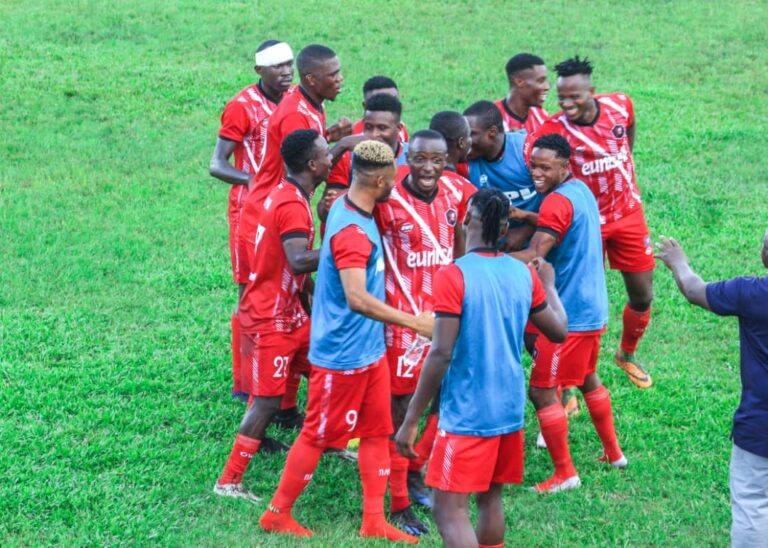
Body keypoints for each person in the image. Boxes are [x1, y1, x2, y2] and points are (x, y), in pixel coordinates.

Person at [259, 141, 432, 544]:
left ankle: (373, 519)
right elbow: (357, 298)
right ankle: (277, 513)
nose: (396, 185)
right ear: (379, 179)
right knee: (317, 434)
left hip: (369, 352)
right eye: (393, 178)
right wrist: (415, 323)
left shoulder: (351, 204)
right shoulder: (353, 231)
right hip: (343, 356)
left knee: (376, 431)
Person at [396, 187, 568, 547]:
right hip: (509, 408)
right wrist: (549, 285)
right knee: (490, 498)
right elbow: (558, 330)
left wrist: (411, 420)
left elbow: (441, 352)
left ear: (467, 220)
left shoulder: (453, 275)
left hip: (468, 414)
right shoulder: (523, 274)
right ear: (505, 227)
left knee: (448, 509)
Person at [214, 129, 331, 501]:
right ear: (313, 165)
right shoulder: (292, 205)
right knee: (266, 400)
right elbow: (297, 261)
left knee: (327, 370)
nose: (331, 159)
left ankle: (330, 440)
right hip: (270, 319)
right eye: (327, 154)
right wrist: (345, 244)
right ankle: (229, 480)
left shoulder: (286, 192)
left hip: (290, 314)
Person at [527, 56, 655, 389]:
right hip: (587, 225)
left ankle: (626, 354)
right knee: (572, 300)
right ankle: (568, 381)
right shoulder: (553, 129)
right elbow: (539, 167)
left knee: (642, 296)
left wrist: (625, 163)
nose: (567, 104)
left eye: (575, 97)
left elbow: (629, 132)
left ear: (592, 92)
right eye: (561, 98)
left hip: (627, 214)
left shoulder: (620, 105)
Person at [511, 134, 627, 492]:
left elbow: (535, 256)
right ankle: (614, 454)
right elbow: (565, 220)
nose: (536, 173)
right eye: (533, 165)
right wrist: (530, 213)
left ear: (565, 166)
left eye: (545, 167)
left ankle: (565, 474)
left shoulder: (556, 204)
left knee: (542, 391)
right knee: (588, 377)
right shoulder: (580, 192)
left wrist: (480, 259)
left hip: (568, 317)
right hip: (594, 309)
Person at [373, 129, 476, 535]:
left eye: (436, 159)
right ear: (406, 157)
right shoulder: (389, 194)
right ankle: (399, 498)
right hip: (402, 322)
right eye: (419, 159)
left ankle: (417, 470)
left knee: (440, 398)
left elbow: (470, 230)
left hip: (447, 317)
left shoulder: (457, 190)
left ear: (447, 158)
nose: (428, 168)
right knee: (401, 409)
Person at [655, 232, 768, 547]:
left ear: (765, 256)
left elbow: (694, 290)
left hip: (759, 429)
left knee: (753, 503)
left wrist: (679, 263)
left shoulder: (751, 293)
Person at [208, 40, 294, 402]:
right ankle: (244, 383)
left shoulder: (295, 102)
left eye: (289, 64)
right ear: (259, 71)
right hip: (250, 213)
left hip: (287, 208)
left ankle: (277, 377)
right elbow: (217, 163)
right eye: (277, 66)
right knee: (249, 292)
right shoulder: (242, 107)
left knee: (285, 286)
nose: (286, 71)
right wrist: (254, 180)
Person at [463, 100, 541, 251]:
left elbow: (558, 194)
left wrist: (526, 231)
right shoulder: (464, 161)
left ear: (492, 132)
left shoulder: (527, 151)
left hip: (540, 240)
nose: (465, 141)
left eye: (471, 134)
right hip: (493, 247)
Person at [495, 53, 549, 133]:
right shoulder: (491, 118)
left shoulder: (541, 117)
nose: (547, 87)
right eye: (540, 81)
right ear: (519, 82)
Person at [352, 75, 409, 142]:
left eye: (393, 101)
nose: (388, 108)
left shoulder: (399, 128)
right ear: (365, 106)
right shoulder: (354, 137)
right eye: (378, 103)